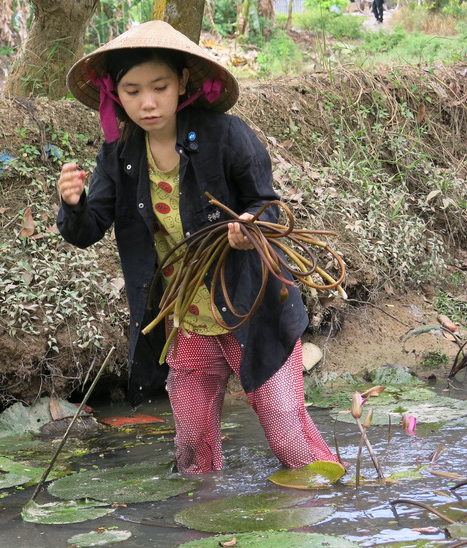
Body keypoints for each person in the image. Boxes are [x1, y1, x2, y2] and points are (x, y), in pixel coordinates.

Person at [56, 20, 340, 474]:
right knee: (193, 451)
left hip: (253, 308)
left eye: (159, 86)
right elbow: (88, 228)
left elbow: (267, 204)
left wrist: (250, 226)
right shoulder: (119, 155)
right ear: (115, 94)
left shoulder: (226, 136)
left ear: (182, 81)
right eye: (131, 91)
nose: (147, 103)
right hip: (188, 320)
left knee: (288, 437)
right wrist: (73, 204)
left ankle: (321, 506)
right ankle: (201, 522)